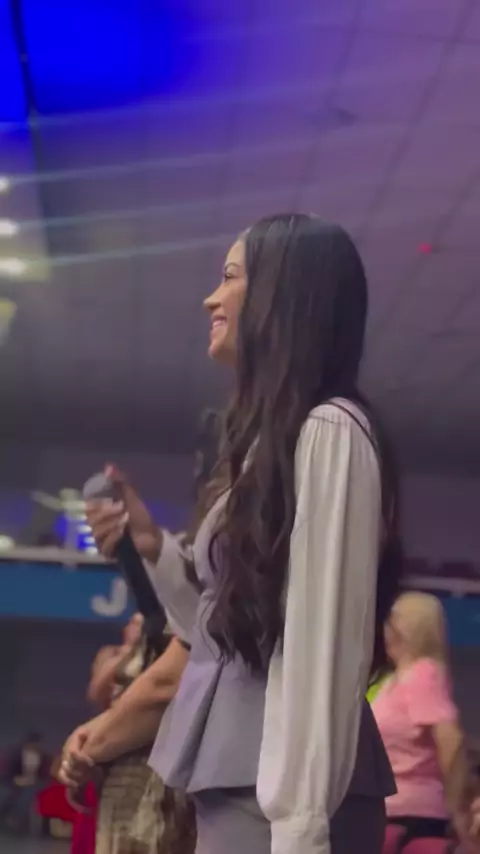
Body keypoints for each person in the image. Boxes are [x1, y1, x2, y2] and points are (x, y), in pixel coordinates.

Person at [85, 214, 403, 853]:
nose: (211, 298)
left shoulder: (329, 430)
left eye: (230, 277)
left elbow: (324, 644)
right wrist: (153, 551)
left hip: (283, 803)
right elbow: (219, 627)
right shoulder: (271, 444)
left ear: (282, 297)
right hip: (253, 786)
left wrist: (302, 826)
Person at [60, 625, 195, 854]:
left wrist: (89, 747)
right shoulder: (132, 648)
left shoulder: (185, 626)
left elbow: (164, 687)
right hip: (118, 763)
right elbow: (100, 694)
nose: (132, 624)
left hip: (157, 774)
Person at [372, 592, 478, 852]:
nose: (385, 632)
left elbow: (451, 739)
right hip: (386, 809)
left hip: (412, 817)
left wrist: (456, 807)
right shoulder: (392, 680)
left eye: (392, 623)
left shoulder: (424, 674)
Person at [87, 612, 144, 709]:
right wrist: (124, 656)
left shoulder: (152, 656)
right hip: (113, 711)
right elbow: (95, 693)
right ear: (126, 628)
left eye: (142, 626)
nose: (139, 629)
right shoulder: (110, 653)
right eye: (135, 624)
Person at [0, 732, 50, 834]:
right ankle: (6, 820)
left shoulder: (44, 757)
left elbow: (45, 774)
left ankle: (21, 826)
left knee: (27, 795)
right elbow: (8, 772)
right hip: (16, 781)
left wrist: (36, 780)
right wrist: (16, 780)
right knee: (11, 794)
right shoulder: (16, 754)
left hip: (35, 783)